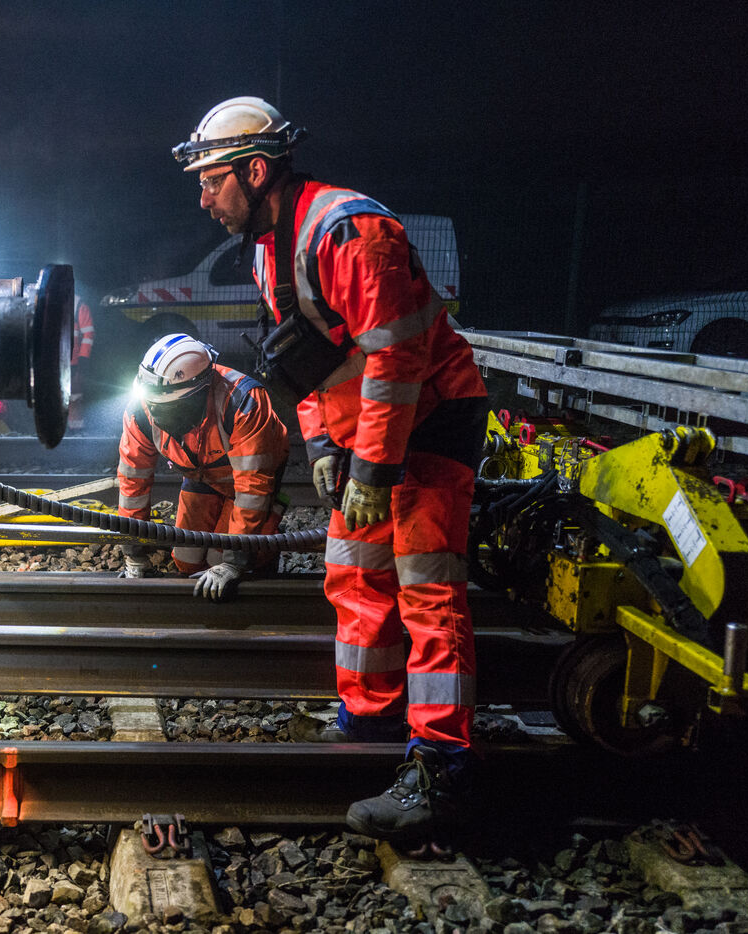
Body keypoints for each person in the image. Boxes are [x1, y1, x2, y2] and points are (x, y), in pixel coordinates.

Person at [174, 97, 488, 840]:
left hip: (430, 421)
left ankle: (441, 768)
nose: (203, 199)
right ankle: (371, 719)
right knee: (353, 572)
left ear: (255, 172)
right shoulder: (269, 246)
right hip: (366, 435)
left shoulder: (349, 231)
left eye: (211, 181)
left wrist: (372, 470)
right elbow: (307, 360)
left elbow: (396, 358)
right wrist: (321, 443)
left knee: (426, 587)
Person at [116, 332, 290, 602]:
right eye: (153, 405)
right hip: (203, 476)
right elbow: (132, 483)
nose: (157, 414)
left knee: (220, 559)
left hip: (248, 485)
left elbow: (252, 488)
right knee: (186, 560)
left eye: (168, 407)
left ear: (198, 394)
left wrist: (234, 562)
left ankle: (266, 550)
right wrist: (133, 552)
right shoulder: (140, 411)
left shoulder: (242, 402)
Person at [67, 292, 95, 429]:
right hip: (56, 362)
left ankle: (75, 429)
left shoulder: (78, 304)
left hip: (72, 362)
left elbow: (88, 333)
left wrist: (83, 358)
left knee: (74, 397)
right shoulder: (46, 300)